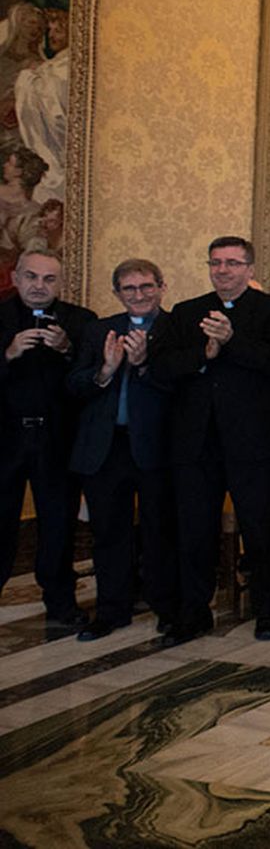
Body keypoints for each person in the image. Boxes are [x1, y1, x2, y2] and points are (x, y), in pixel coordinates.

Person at [156, 236, 270, 644]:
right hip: (196, 442)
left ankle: (267, 610)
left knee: (259, 528)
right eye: (216, 263)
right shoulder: (187, 313)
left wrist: (233, 340)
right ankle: (194, 611)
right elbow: (164, 367)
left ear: (250, 270)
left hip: (252, 440)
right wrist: (205, 354)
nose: (223, 270)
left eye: (233, 263)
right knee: (195, 529)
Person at [66, 258, 175, 641]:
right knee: (108, 531)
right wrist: (106, 371)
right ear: (117, 293)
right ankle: (112, 610)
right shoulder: (99, 331)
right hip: (105, 447)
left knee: (159, 529)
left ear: (162, 287)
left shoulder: (175, 330)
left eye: (146, 286)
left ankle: (167, 608)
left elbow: (184, 391)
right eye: (129, 289)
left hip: (156, 448)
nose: (139, 295)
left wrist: (143, 365)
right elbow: (74, 386)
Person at [0, 244, 96, 625]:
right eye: (31, 276)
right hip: (5, 439)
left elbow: (90, 380)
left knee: (58, 522)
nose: (39, 286)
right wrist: (7, 354)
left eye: (48, 278)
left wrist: (69, 349)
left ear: (60, 283)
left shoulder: (81, 320)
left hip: (58, 439)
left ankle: (60, 602)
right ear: (15, 278)